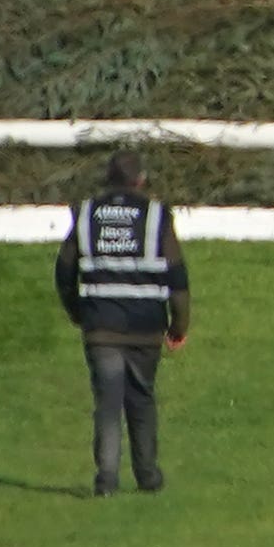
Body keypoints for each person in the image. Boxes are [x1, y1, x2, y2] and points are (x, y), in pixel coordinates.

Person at [56, 148, 188, 496]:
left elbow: (64, 270)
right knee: (141, 398)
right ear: (141, 179)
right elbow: (177, 276)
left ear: (107, 179)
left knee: (108, 401)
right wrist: (179, 326)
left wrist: (76, 310)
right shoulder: (156, 215)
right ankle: (147, 475)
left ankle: (106, 480)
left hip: (101, 324)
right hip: (146, 325)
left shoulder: (87, 213)